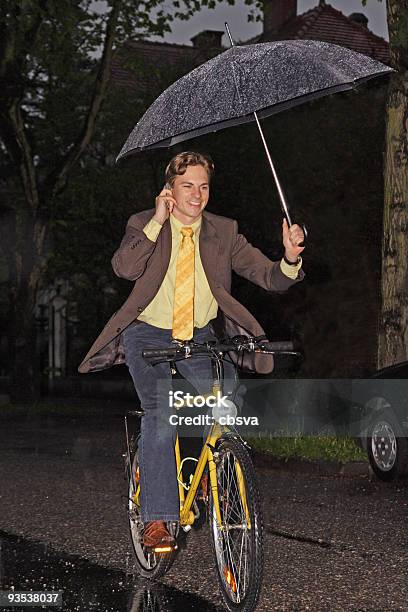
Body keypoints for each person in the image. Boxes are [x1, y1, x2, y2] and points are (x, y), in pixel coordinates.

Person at [79, 151, 305, 549]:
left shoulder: (223, 231)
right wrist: (156, 221)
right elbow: (124, 268)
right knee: (162, 412)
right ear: (169, 190)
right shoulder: (145, 224)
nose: (197, 195)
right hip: (147, 335)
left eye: (203, 186)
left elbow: (268, 276)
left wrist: (288, 258)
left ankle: (205, 473)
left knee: (225, 396)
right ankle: (159, 519)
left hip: (198, 337)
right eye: (187, 186)